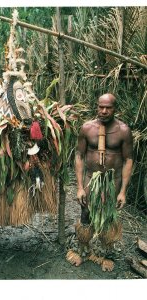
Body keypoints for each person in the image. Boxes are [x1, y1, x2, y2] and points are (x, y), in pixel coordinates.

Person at [73, 93, 133, 271]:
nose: (104, 111)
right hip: (90, 180)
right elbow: (79, 156)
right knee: (85, 216)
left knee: (109, 218)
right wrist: (79, 187)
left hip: (111, 183)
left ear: (115, 109)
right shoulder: (87, 128)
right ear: (97, 106)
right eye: (101, 107)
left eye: (108, 107)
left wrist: (122, 191)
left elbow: (128, 160)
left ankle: (105, 254)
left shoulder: (123, 130)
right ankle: (83, 250)